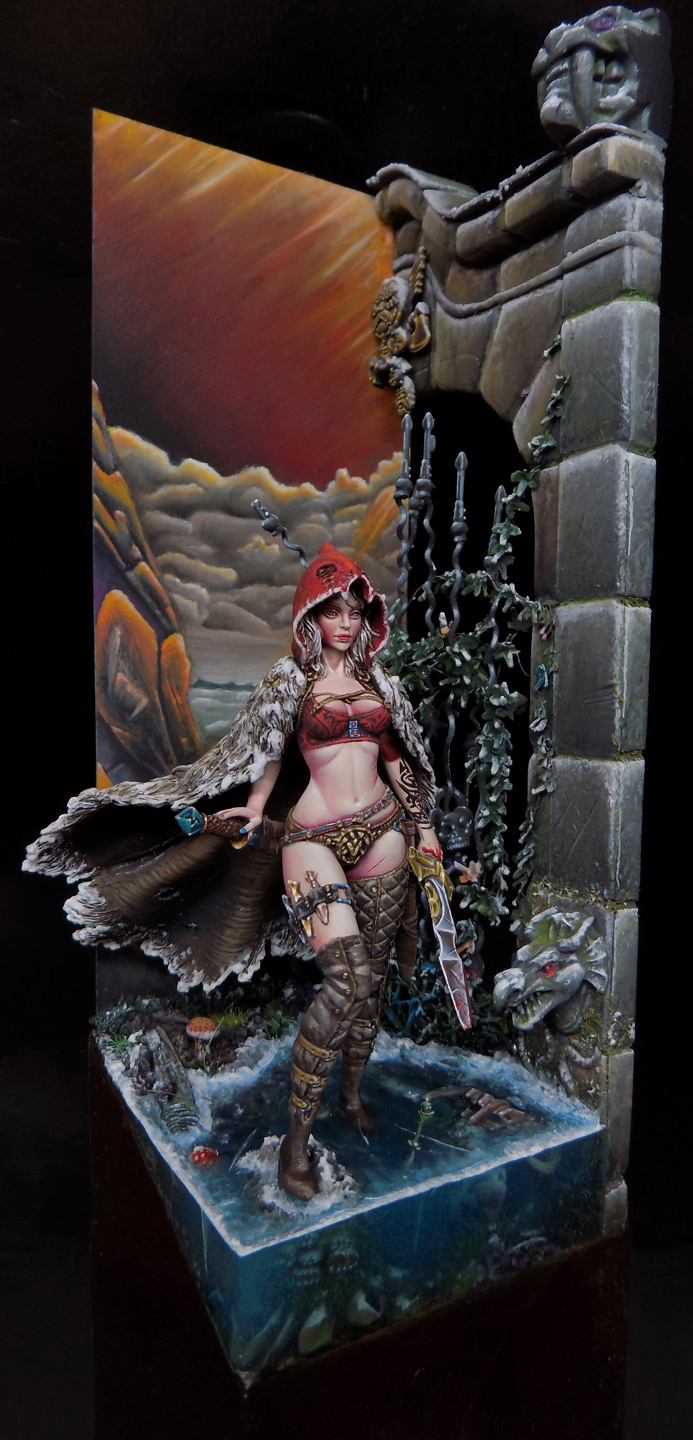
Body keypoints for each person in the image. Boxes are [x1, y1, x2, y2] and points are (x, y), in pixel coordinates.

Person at [25, 544, 440, 1200]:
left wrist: (422, 827)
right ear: (310, 615)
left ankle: (353, 1095)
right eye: (332, 610)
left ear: (367, 618)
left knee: (375, 979)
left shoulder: (380, 683)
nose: (344, 622)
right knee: (346, 980)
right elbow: (265, 750)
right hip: (312, 836)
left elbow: (396, 758)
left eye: (355, 611)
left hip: (382, 830)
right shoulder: (288, 681)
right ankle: (296, 1146)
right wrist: (253, 804)